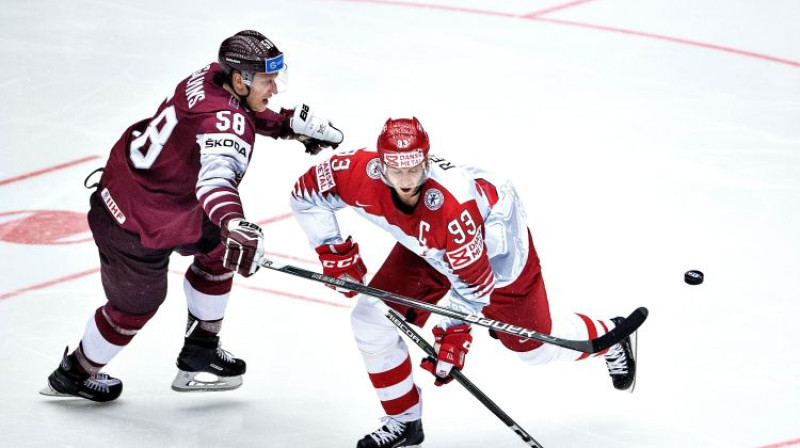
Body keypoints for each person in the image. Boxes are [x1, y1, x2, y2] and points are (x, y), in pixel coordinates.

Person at [289, 117, 637, 447]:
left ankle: (611, 336)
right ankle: (403, 420)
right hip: (429, 244)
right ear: (381, 165)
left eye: (414, 168)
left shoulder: (454, 209)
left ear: (426, 162)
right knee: (370, 319)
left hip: (495, 249)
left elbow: (476, 284)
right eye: (397, 169)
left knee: (533, 348)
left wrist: (453, 331)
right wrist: (333, 252)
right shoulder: (354, 172)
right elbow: (305, 194)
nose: (407, 180)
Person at [41, 30, 343, 402]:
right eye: (267, 80)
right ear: (239, 79)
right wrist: (233, 221)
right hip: (130, 223)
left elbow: (231, 114)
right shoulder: (223, 118)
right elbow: (216, 179)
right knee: (134, 309)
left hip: (160, 201)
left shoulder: (208, 76)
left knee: (219, 250)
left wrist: (284, 125)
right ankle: (73, 374)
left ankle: (201, 348)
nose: (275, 88)